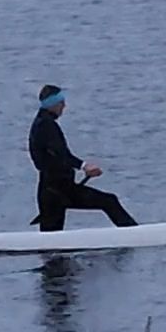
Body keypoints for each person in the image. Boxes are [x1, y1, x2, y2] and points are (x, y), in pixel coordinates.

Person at [30, 85, 138, 233]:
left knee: (51, 244)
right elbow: (61, 155)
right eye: (61, 103)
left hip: (55, 190)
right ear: (53, 104)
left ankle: (133, 233)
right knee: (109, 201)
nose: (64, 107)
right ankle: (135, 234)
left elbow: (56, 158)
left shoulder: (42, 123)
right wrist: (84, 166)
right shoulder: (46, 126)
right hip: (56, 191)